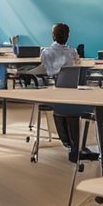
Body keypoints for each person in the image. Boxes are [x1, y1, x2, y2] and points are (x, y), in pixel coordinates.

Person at [35, 23, 94, 163]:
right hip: (71, 91)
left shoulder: (46, 52)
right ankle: (75, 146)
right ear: (68, 36)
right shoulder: (73, 52)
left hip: (52, 92)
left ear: (53, 36)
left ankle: (69, 143)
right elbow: (77, 67)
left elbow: (42, 71)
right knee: (70, 109)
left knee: (60, 108)